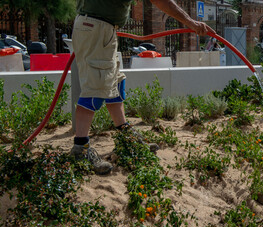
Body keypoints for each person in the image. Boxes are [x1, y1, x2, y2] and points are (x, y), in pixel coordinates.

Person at [71, 0, 215, 175]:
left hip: (101, 28)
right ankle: (81, 149)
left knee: (114, 84)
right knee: (95, 89)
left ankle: (126, 137)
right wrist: (191, 22)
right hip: (97, 28)